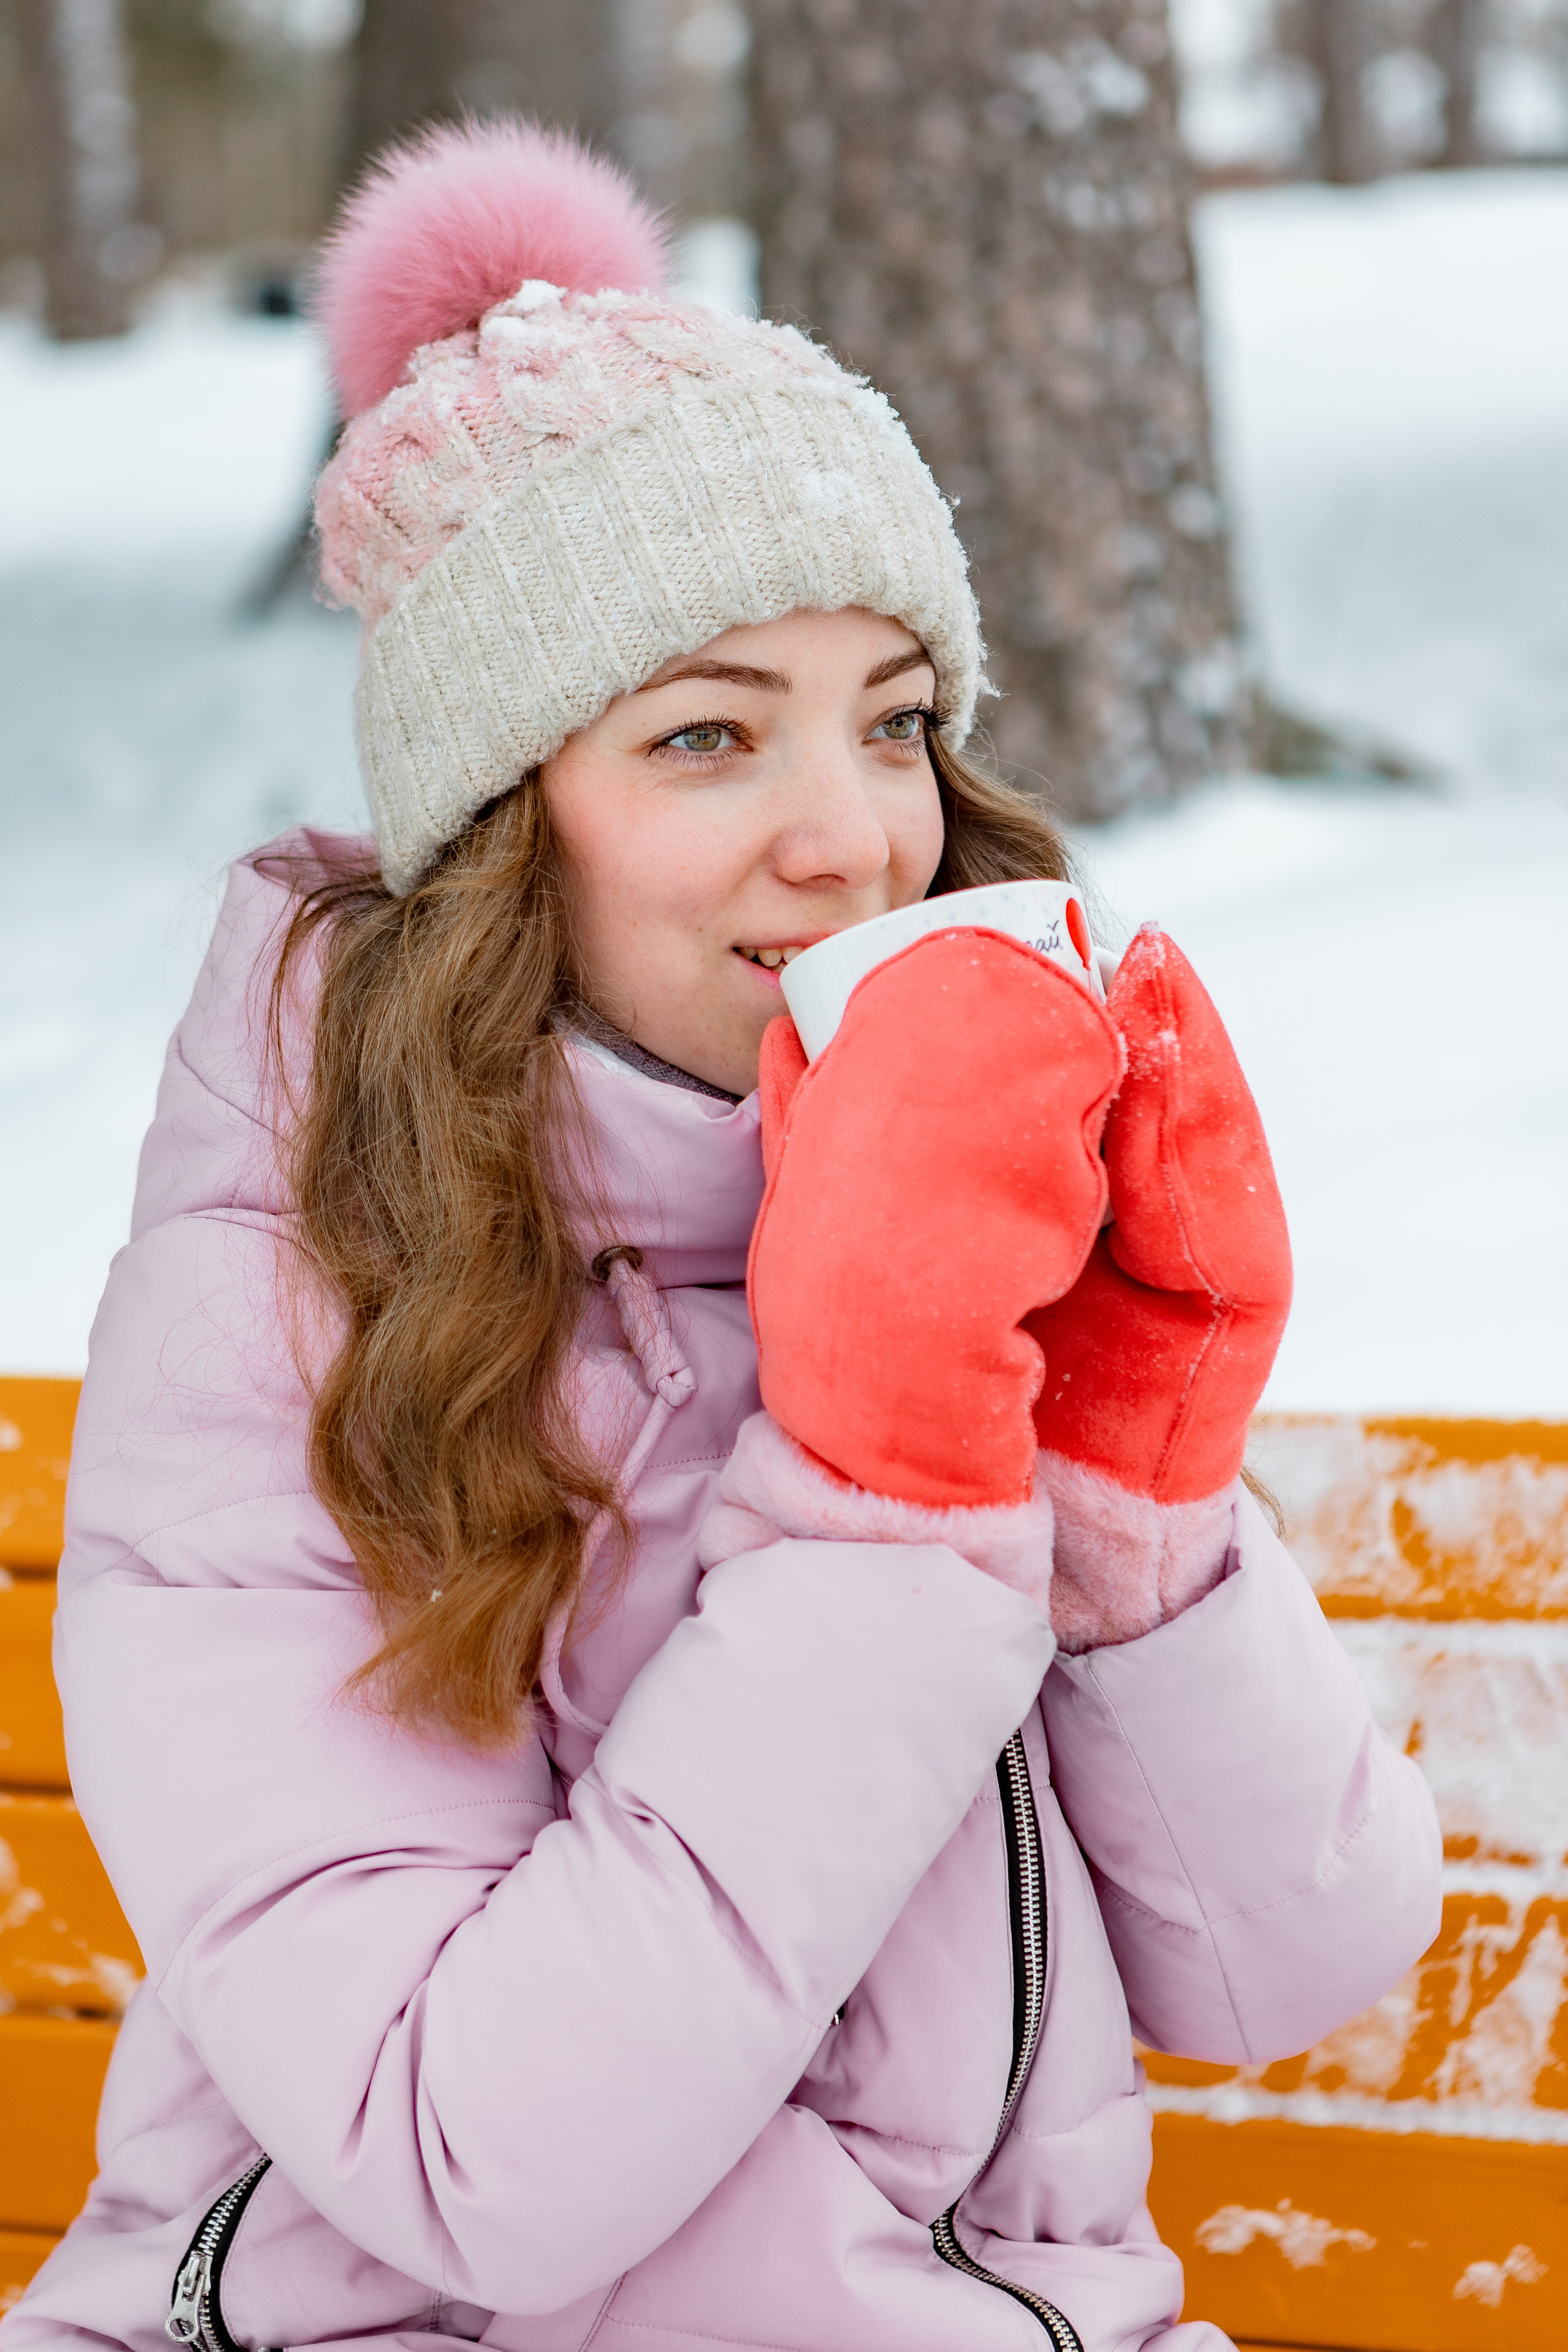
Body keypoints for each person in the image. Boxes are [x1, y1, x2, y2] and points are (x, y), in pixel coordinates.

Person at [6, 122, 1441, 2352]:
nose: (852, 838)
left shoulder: (933, 1223)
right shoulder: (285, 1316)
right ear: (504, 832)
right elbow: (472, 2163)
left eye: (891, 724)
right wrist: (879, 1511)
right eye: (705, 734)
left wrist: (1127, 1474)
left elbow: (1290, 1964)